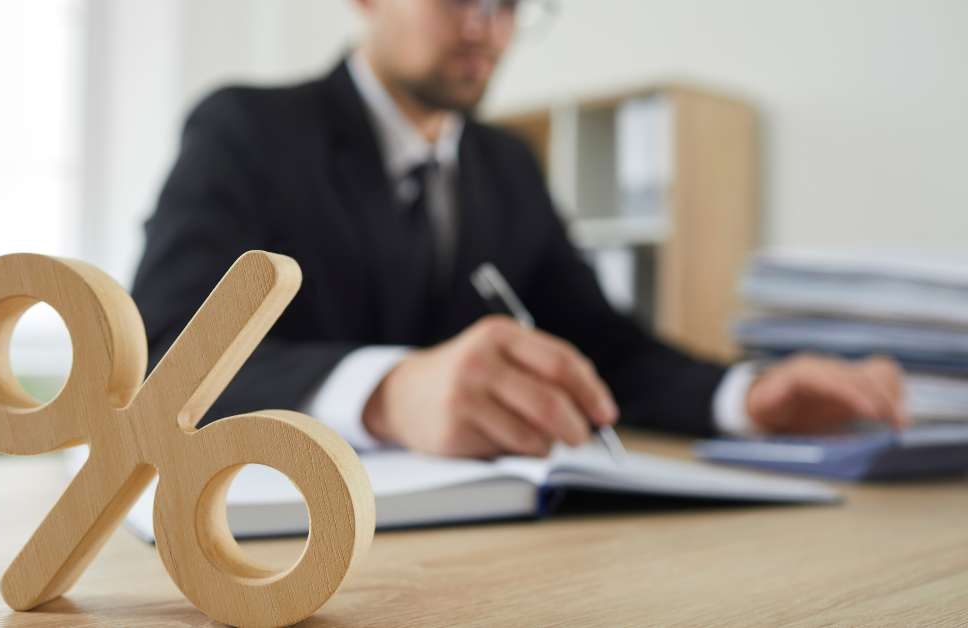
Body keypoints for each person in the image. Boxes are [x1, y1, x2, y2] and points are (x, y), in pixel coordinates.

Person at [131, 0, 907, 458]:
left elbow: (601, 349)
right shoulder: (247, 131)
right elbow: (164, 350)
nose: (486, 28)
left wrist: (747, 396)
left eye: (507, 3)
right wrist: (387, 394)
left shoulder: (507, 165)